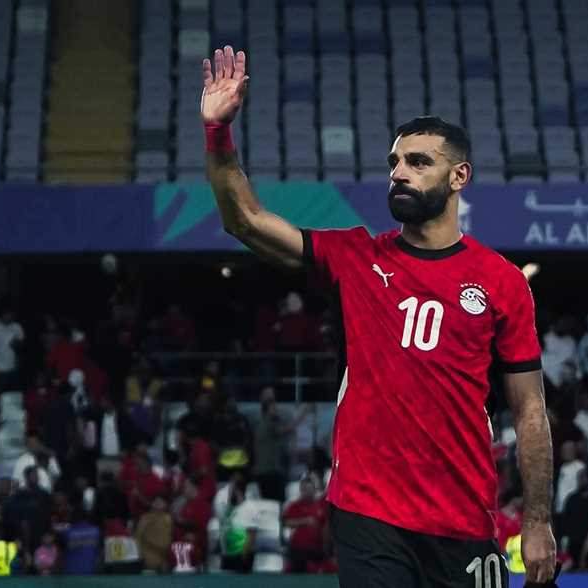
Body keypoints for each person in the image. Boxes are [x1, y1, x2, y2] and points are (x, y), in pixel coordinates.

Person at [203, 45, 555, 585]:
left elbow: (529, 409)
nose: (399, 173)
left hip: (464, 517)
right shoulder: (355, 257)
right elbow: (245, 221)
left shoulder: (502, 281)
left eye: (418, 162)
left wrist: (537, 521)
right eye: (394, 162)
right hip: (369, 514)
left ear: (459, 176)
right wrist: (218, 132)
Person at [251, 389, 311, 502]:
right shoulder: (267, 423)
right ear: (268, 409)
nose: (276, 410)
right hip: (270, 471)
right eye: (273, 408)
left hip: (268, 471)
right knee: (274, 503)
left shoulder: (263, 421)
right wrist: (303, 414)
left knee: (270, 503)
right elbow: (287, 430)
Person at [282, 475, 329, 573]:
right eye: (305, 489)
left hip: (317, 547)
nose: (308, 491)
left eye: (310, 488)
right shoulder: (294, 506)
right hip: (298, 548)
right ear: (301, 490)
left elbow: (326, 526)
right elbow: (286, 522)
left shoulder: (321, 505)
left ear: (315, 489)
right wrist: (305, 521)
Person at [0, 309, 25, 391]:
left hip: (13, 367)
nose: (10, 317)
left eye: (11, 315)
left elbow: (21, 347)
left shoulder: (17, 327)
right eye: (8, 314)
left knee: (13, 393)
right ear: (2, 315)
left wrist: (16, 345)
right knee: (1, 392)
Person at [135, 495, 173, 573]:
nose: (158, 504)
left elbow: (167, 538)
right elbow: (138, 535)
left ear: (166, 504)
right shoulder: (145, 518)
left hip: (162, 555)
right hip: (145, 552)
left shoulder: (168, 518)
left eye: (161, 502)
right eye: (156, 501)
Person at [63, 507, 101, 575]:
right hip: (90, 572)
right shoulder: (96, 531)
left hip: (70, 573)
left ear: (72, 517)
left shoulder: (67, 533)